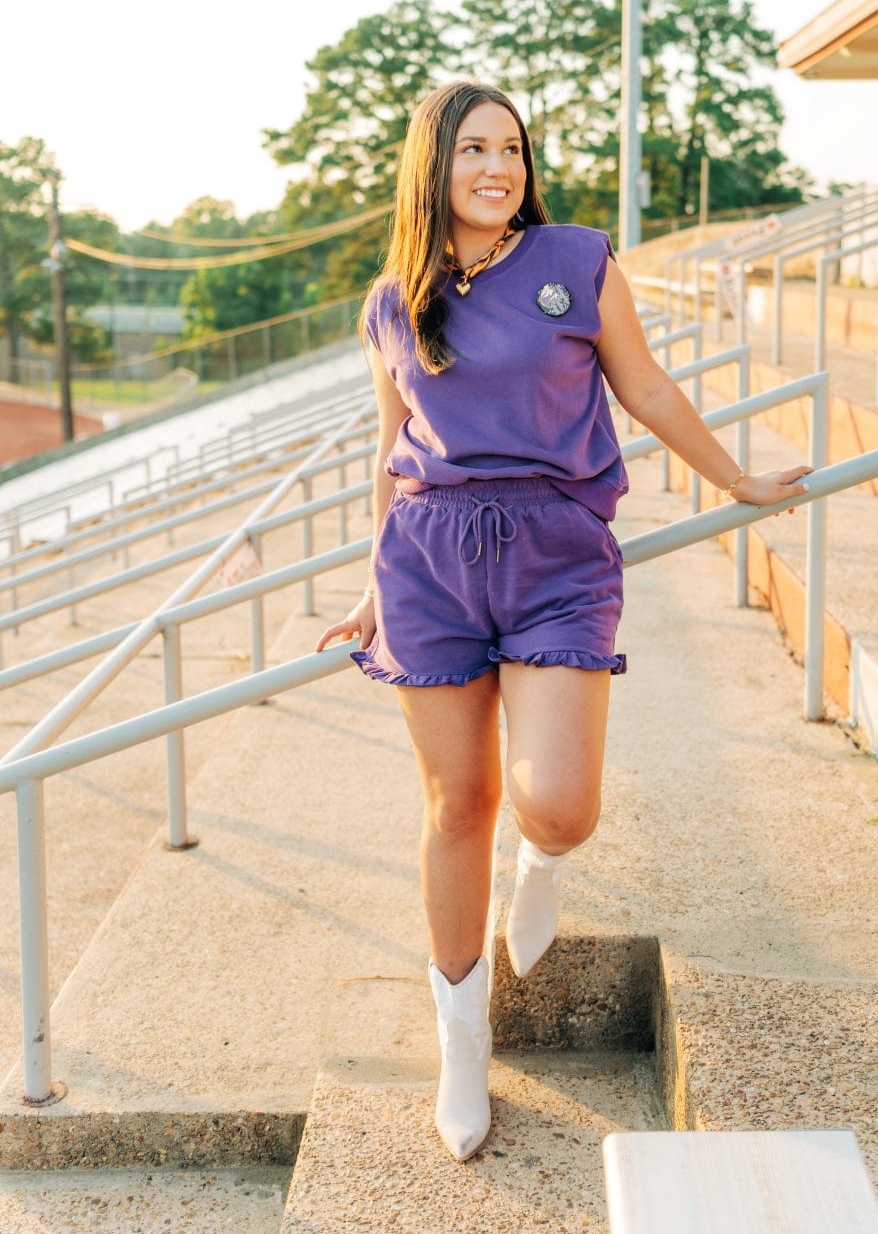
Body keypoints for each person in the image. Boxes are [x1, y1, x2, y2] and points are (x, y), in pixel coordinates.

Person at [316, 80, 810, 1161]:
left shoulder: (577, 260)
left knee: (559, 805)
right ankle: (460, 1038)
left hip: (555, 554)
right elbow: (389, 448)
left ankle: (540, 868)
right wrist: (370, 583)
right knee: (458, 806)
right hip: (429, 561)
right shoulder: (392, 298)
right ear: (432, 165)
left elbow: (648, 390)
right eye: (475, 148)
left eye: (514, 149)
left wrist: (734, 480)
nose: (499, 167)